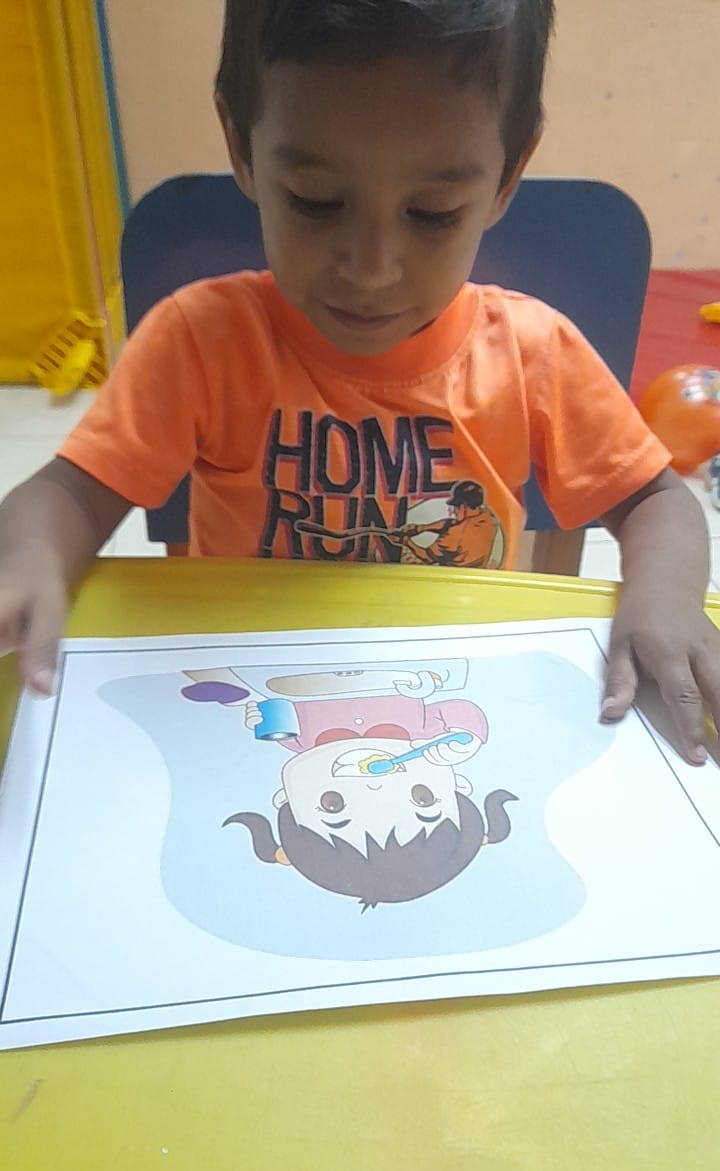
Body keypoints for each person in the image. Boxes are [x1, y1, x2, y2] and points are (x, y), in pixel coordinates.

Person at [0, 0, 718, 766]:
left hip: (450, 701)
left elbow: (656, 500)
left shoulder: (533, 353)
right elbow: (67, 493)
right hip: (250, 709)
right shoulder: (199, 342)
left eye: (433, 213)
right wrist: (30, 555)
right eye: (316, 202)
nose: (371, 268)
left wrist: (666, 595)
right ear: (242, 146)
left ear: (509, 174)